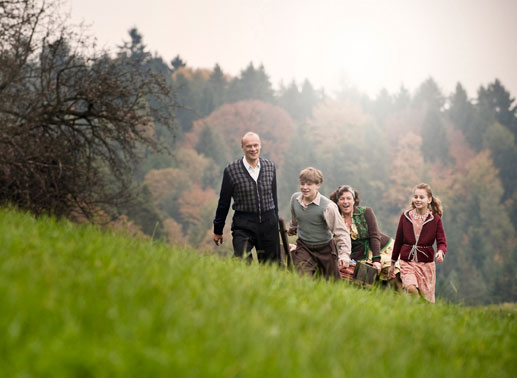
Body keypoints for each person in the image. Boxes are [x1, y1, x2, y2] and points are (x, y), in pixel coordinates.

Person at [213, 131, 280, 263]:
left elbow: (274, 197)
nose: (253, 149)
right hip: (243, 225)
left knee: (271, 268)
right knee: (242, 262)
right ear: (242, 148)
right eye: (249, 146)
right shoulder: (231, 170)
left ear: (260, 146)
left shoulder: (270, 167)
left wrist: (275, 220)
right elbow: (223, 202)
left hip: (268, 225)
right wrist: (218, 229)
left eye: (256, 145)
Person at [288, 167, 351, 280]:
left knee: (333, 285)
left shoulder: (328, 207)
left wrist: (345, 255)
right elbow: (295, 219)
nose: (305, 187)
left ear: (318, 185)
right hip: (304, 247)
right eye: (302, 184)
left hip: (325, 250)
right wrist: (292, 229)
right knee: (302, 279)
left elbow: (341, 232)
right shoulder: (294, 199)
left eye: (309, 184)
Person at [388, 183, 447, 303]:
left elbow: (442, 241)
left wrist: (441, 252)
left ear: (429, 200)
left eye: (421, 197)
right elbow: (398, 240)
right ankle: (418, 305)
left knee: (428, 301)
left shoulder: (435, 219)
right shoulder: (405, 216)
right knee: (410, 288)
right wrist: (393, 263)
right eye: (415, 197)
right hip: (407, 261)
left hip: (426, 264)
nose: (418, 200)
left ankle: (420, 312)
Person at [329, 185, 400, 282]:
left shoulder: (365, 212)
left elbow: (374, 236)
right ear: (337, 202)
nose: (345, 202)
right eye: (342, 199)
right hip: (360, 256)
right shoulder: (336, 219)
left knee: (392, 271)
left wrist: (376, 260)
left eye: (349, 198)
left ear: (354, 201)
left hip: (381, 249)